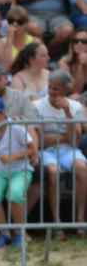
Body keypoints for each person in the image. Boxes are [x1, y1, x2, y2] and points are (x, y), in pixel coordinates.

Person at [0, 94, 38, 249]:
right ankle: (4, 234)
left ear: (2, 113)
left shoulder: (17, 128)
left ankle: (20, 233)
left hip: (21, 170)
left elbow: (32, 149)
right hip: (0, 172)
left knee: (15, 193)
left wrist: (13, 156)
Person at [33, 69, 87, 232]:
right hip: (46, 151)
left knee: (82, 169)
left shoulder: (75, 106)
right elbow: (41, 141)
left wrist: (67, 112)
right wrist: (64, 137)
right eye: (50, 87)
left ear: (65, 90)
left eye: (56, 88)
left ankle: (79, 220)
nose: (51, 92)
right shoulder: (37, 106)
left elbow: (75, 140)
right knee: (53, 172)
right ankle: (56, 223)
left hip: (67, 150)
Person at [0, 5, 33, 71]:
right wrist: (9, 38)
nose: (15, 24)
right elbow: (5, 68)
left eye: (20, 21)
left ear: (27, 23)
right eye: (11, 21)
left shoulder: (35, 42)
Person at [60, 29, 87, 95]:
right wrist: (80, 65)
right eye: (76, 41)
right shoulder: (65, 61)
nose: (79, 44)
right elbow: (75, 91)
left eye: (84, 42)